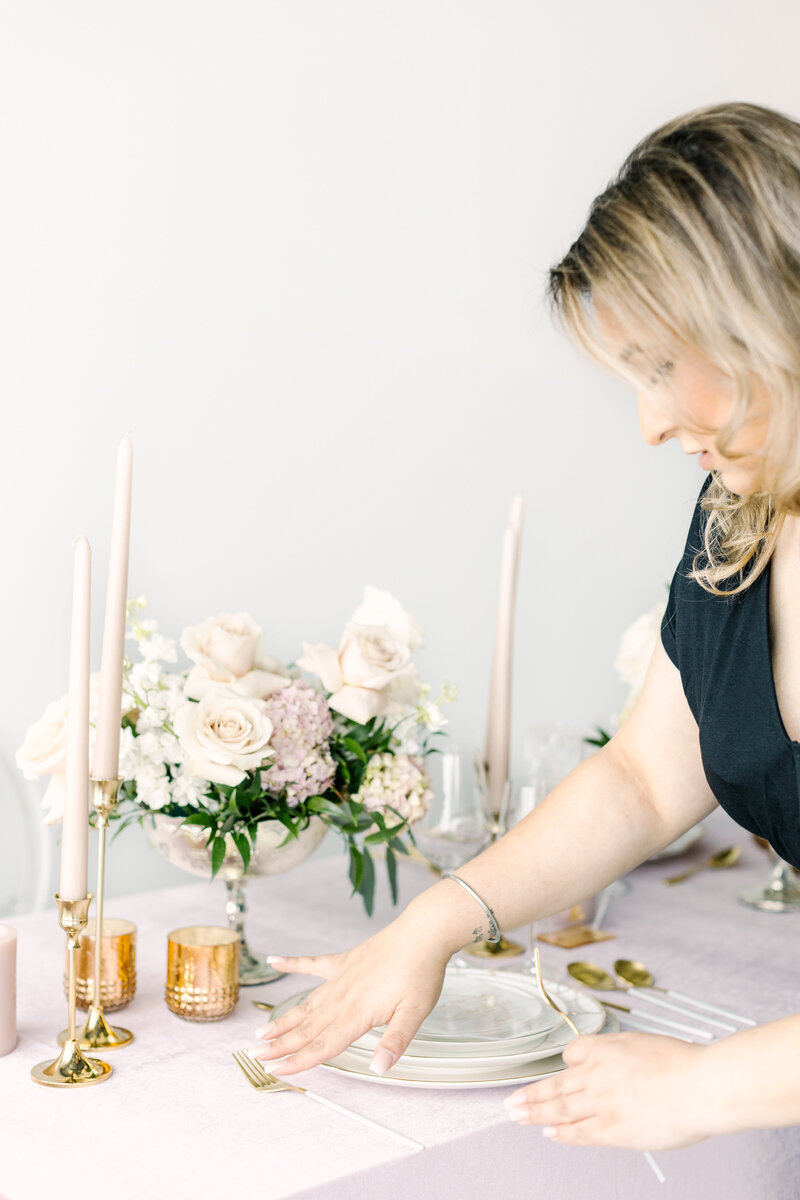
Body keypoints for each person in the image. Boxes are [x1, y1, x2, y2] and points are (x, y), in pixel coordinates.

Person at [253, 102, 800, 1151]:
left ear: (761, 315)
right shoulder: (738, 518)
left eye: (654, 364)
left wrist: (701, 1089)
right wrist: (437, 920)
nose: (645, 424)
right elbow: (644, 778)